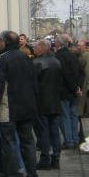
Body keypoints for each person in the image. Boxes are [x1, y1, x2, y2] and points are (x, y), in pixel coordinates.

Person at [0, 30, 40, 177]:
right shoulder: (26, 57)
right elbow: (34, 83)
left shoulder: (2, 59)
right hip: (27, 107)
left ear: (3, 42)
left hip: (8, 107)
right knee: (28, 142)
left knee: (9, 143)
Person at [32, 39, 62, 170]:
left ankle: (45, 157)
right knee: (54, 130)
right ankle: (56, 157)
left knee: (43, 131)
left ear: (41, 48)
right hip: (55, 101)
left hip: (41, 102)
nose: (34, 49)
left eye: (36, 47)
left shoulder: (37, 62)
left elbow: (32, 83)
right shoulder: (56, 61)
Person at [55, 34, 84, 149]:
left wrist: (74, 88)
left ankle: (69, 141)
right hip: (74, 91)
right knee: (73, 116)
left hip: (64, 90)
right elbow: (81, 73)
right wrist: (78, 88)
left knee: (65, 116)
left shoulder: (59, 56)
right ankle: (75, 139)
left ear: (58, 43)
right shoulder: (73, 56)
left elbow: (65, 74)